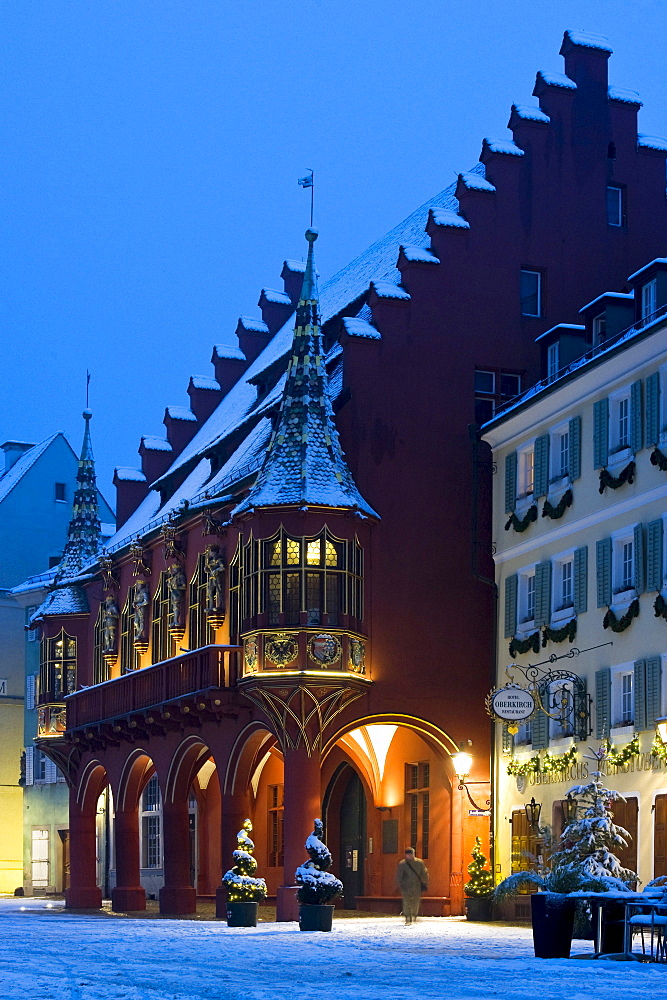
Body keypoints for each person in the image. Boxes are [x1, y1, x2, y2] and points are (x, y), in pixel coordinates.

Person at [397, 847, 429, 924]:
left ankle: (414, 916)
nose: (410, 856)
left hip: (416, 885)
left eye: (411, 854)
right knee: (406, 901)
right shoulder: (402, 864)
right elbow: (399, 875)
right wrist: (399, 884)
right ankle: (408, 917)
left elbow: (424, 872)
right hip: (406, 886)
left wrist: (425, 882)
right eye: (408, 854)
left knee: (416, 901)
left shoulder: (419, 863)